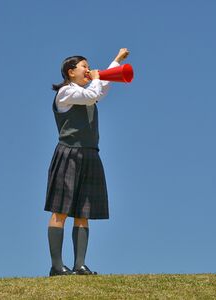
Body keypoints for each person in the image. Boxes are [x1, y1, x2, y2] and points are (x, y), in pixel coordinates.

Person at [45, 48, 130, 276]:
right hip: (69, 153)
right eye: (84, 65)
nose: (88, 69)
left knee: (83, 212)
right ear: (71, 72)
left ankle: (79, 265)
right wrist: (96, 79)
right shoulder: (65, 93)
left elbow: (100, 88)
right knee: (60, 211)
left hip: (90, 153)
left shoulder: (87, 92)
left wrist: (116, 61)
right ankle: (56, 266)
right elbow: (93, 93)